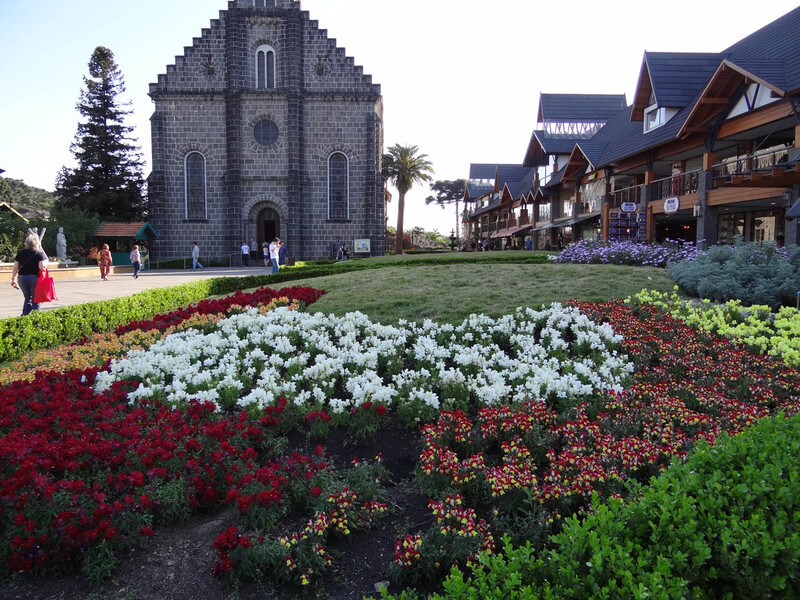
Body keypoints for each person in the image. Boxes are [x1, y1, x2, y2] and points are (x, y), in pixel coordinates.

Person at [10, 233, 49, 316]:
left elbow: (15, 268)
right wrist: (45, 264)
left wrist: (13, 278)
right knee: (36, 298)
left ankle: (24, 316)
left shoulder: (20, 253)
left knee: (28, 298)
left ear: (26, 244)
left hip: (22, 278)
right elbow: (42, 267)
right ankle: (36, 317)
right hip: (34, 278)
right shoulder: (39, 254)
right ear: (37, 243)